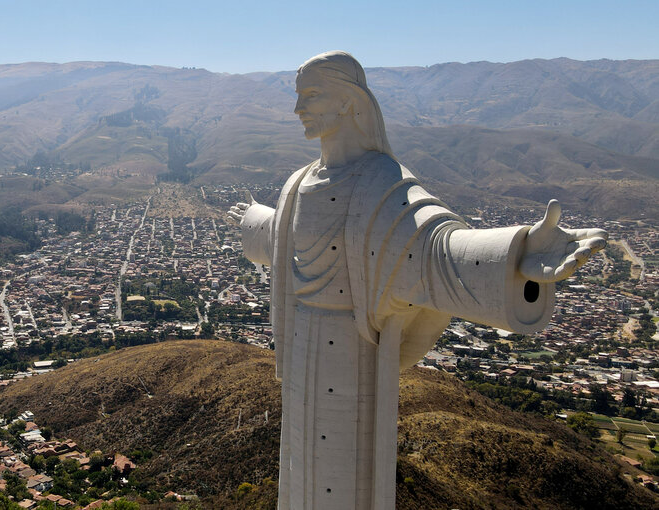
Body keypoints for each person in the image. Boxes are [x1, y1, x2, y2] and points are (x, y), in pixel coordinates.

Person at [227, 50, 606, 510]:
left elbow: (435, 251)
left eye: (310, 95)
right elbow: (288, 239)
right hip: (305, 345)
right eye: (297, 96)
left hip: (353, 352)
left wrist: (519, 252)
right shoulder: (299, 181)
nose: (297, 109)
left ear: (349, 101)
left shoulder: (382, 183)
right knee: (297, 467)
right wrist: (254, 221)